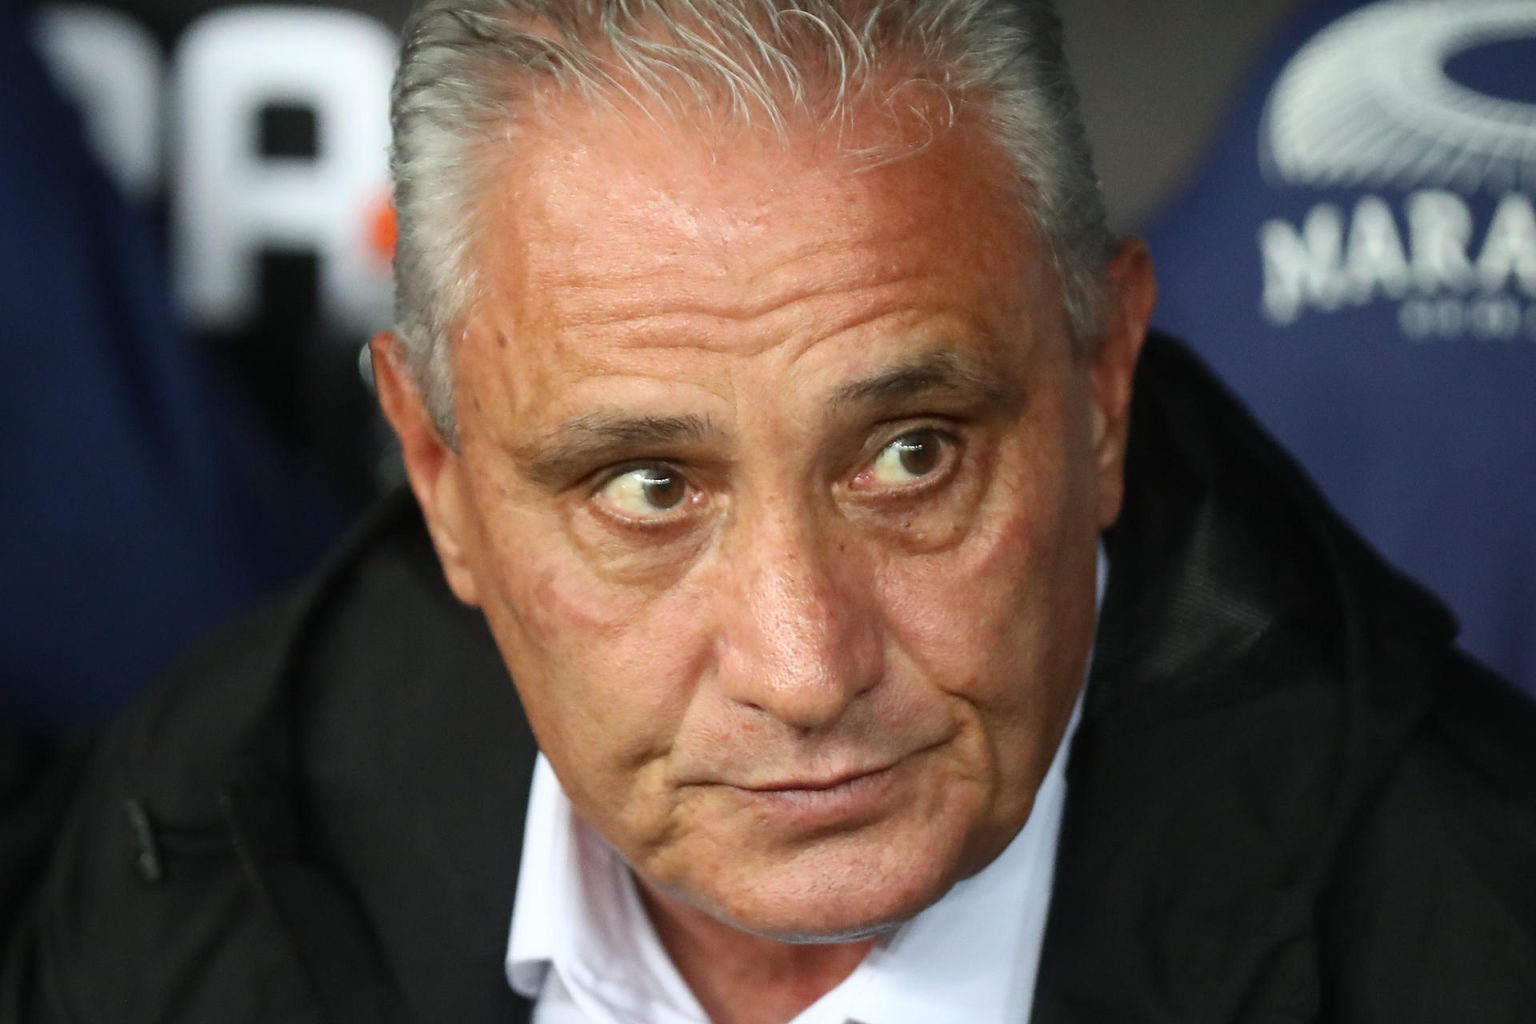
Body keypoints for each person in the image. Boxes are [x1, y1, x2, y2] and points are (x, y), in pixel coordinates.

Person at [5, 2, 1535, 1022]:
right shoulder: (187, 838)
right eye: (649, 491)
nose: (805, 669)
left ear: (1105, 386)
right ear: (440, 475)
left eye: (912, 458)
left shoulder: (1475, 931)